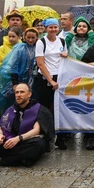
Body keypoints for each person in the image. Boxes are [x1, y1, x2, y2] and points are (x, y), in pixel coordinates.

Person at [0, 83, 53, 167]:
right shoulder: (11, 109)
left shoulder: (38, 109)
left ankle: (3, 161)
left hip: (25, 141)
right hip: (10, 142)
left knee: (39, 144)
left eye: (22, 92)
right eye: (17, 92)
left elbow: (36, 130)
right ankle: (21, 159)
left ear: (29, 94)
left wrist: (18, 139)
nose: (18, 95)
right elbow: (0, 127)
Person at [34, 19, 68, 150]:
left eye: (55, 27)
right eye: (50, 27)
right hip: (45, 78)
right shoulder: (41, 42)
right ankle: (46, 138)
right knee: (45, 109)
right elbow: (40, 63)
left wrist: (65, 55)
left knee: (60, 108)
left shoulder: (62, 41)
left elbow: (65, 58)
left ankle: (60, 138)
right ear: (46, 28)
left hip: (59, 76)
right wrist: (50, 80)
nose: (53, 30)